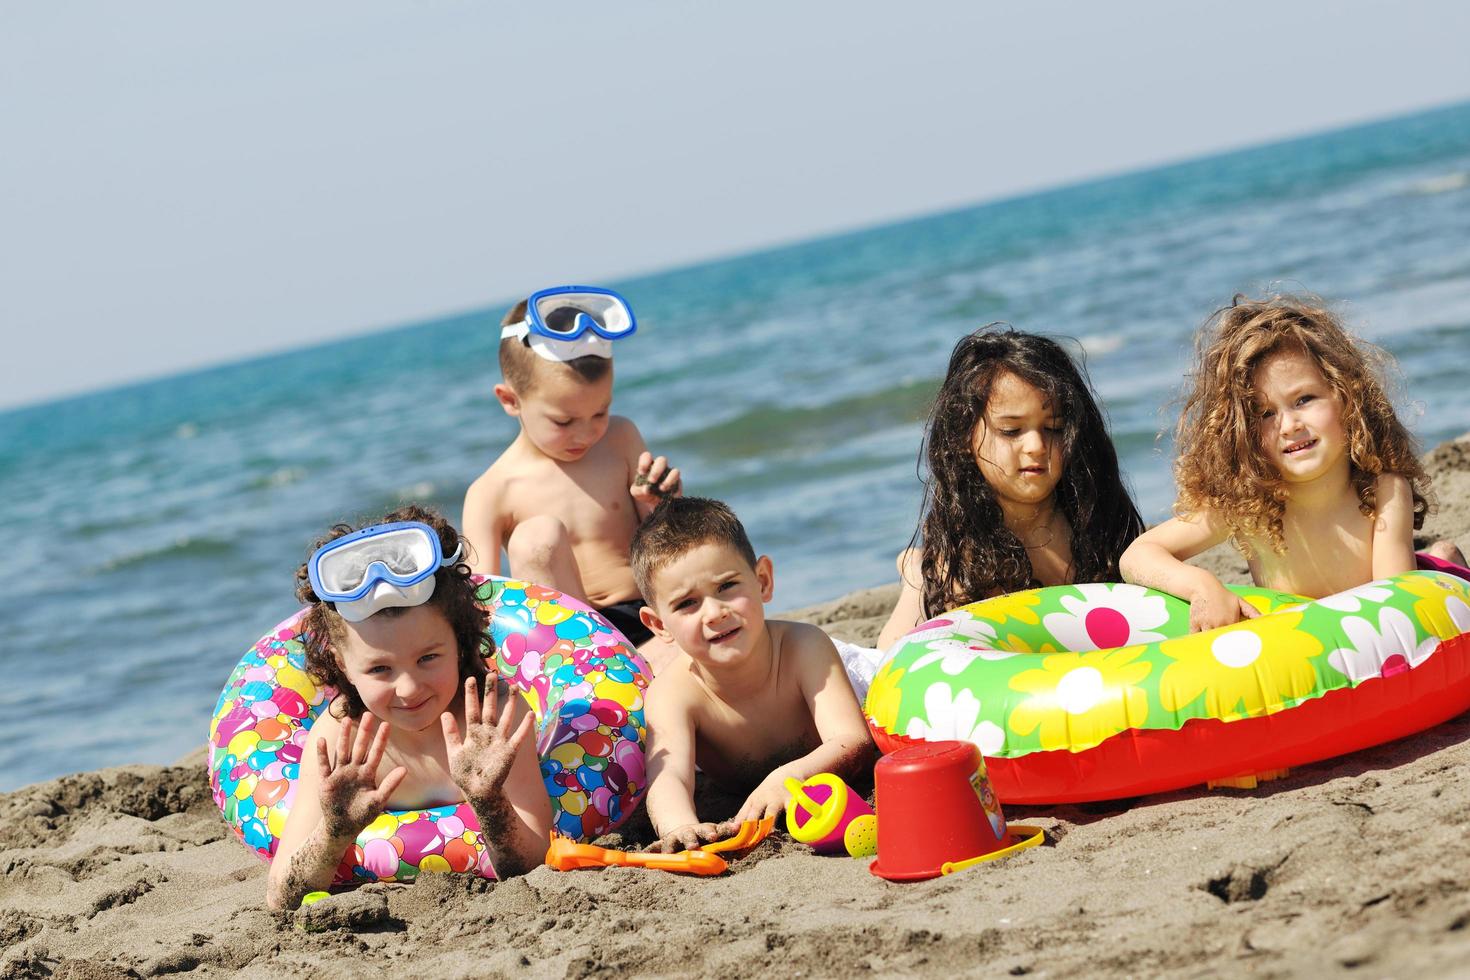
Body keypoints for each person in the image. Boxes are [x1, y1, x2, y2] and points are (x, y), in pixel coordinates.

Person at [1120, 295, 1466, 631]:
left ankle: (1446, 560)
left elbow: (1396, 607)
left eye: (1303, 399)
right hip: (1304, 654)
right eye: (1265, 414)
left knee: (1441, 567)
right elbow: (1137, 556)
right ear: (1241, 433)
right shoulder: (1249, 504)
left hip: (1384, 622)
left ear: (1347, 396)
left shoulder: (1382, 489)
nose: (1289, 426)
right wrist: (1201, 584)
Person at [265, 506, 550, 911]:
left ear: (460, 642)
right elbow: (281, 897)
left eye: (429, 658)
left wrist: (488, 800)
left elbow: (534, 863)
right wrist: (335, 829)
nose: (409, 688)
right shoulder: (337, 740)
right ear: (344, 665)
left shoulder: (494, 717)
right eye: (380, 668)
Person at [875, 326, 1145, 651]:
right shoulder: (961, 554)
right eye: (1011, 430)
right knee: (915, 598)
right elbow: (894, 655)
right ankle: (914, 569)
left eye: (1054, 428)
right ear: (964, 438)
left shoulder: (1095, 521)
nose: (1036, 446)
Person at [630, 497, 874, 853]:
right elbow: (669, 778)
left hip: (850, 676)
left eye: (727, 586)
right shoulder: (672, 694)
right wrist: (680, 827)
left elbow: (853, 740)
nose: (714, 612)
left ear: (762, 581)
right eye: (687, 604)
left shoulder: (804, 648)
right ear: (658, 625)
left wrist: (790, 777)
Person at [461, 285, 682, 672]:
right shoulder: (491, 492)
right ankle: (598, 672)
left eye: (600, 412)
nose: (586, 434)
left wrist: (661, 507)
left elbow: (671, 550)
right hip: (570, 645)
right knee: (536, 538)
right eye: (563, 421)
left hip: (654, 618)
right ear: (510, 400)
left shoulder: (621, 438)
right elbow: (481, 607)